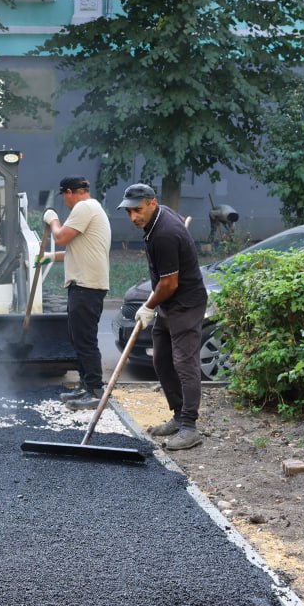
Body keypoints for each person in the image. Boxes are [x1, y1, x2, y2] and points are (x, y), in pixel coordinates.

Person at [117, 183, 208, 451]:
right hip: (168, 304)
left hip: (185, 304)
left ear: (152, 203)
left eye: (138, 210)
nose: (134, 217)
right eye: (129, 212)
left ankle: (190, 427)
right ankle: (179, 415)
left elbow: (169, 284)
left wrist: (147, 305)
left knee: (184, 362)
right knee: (161, 359)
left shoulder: (164, 234)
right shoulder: (161, 218)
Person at [42, 176, 112, 410]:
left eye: (64, 197)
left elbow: (60, 237)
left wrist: (52, 219)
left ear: (70, 192)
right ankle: (85, 384)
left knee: (85, 339)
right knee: (77, 337)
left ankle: (94, 389)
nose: (65, 201)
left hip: (87, 286)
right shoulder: (94, 209)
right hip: (84, 284)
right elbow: (78, 250)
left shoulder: (84, 207)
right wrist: (50, 257)